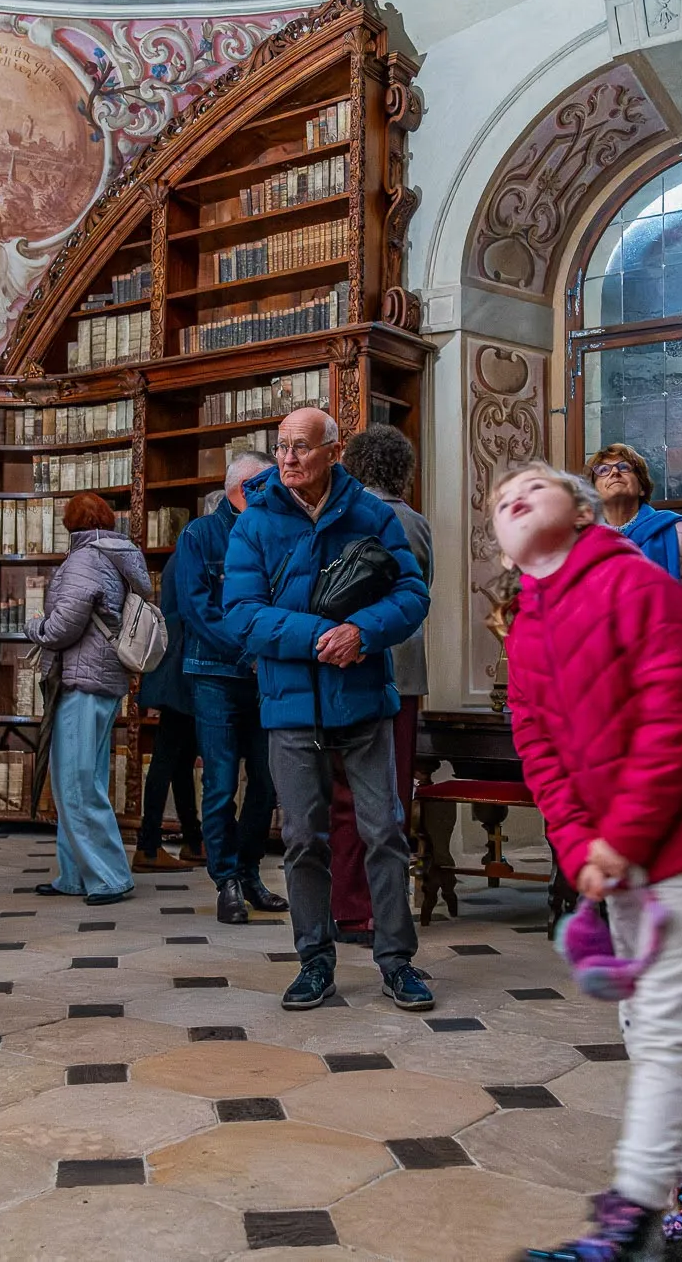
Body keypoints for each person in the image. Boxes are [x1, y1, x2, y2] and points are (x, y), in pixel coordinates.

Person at [492, 462, 682, 1262]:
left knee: (666, 1025)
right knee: (646, 1024)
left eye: (534, 484)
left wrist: (621, 839)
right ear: (505, 550)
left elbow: (676, 718)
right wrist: (580, 846)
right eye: (500, 497)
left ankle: (624, 1223)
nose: (514, 494)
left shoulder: (638, 584)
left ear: (581, 514)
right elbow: (537, 747)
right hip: (621, 852)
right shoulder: (530, 624)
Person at [223, 408, 432, 1012]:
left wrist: (362, 633)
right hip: (290, 706)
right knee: (301, 839)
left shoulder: (371, 515)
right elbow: (239, 613)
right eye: (282, 447)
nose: (288, 459)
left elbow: (412, 594)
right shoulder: (254, 521)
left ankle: (397, 962)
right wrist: (318, 633)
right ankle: (314, 961)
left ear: (333, 453)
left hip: (363, 699)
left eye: (301, 448)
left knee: (384, 831)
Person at [28, 490, 150, 905]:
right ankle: (75, 874)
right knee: (81, 779)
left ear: (70, 523)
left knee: (76, 783)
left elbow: (64, 624)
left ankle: (110, 876)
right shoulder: (118, 554)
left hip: (81, 680)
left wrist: (36, 628)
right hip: (104, 679)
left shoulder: (85, 558)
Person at [179, 451, 285, 924]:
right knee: (221, 781)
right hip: (215, 675)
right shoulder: (199, 535)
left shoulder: (271, 530)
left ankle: (249, 872)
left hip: (262, 678)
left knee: (265, 780)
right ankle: (225, 882)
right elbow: (198, 611)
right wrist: (251, 653)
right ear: (244, 488)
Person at [341, 424, 432, 934]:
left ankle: (349, 903)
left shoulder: (346, 517)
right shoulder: (413, 522)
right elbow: (422, 590)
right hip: (402, 669)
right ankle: (384, 905)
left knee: (346, 795)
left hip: (350, 664)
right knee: (391, 794)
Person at [585, 443, 682, 646]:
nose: (615, 472)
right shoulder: (581, 545)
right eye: (603, 470)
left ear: (642, 487)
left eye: (624, 467)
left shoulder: (678, 533)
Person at [132, 551, 201, 873]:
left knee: (179, 760)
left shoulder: (180, 556)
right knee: (167, 758)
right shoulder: (196, 554)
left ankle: (193, 839)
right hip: (182, 667)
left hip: (174, 663)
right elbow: (198, 610)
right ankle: (148, 846)